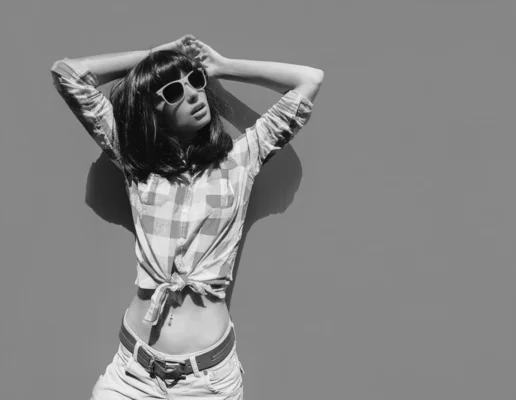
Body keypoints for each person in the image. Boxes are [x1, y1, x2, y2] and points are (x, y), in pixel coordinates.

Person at [50, 34, 323, 400]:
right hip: (132, 374)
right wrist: (157, 56)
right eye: (173, 92)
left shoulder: (239, 163)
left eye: (195, 82)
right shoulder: (136, 165)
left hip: (207, 383)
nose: (194, 93)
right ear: (153, 111)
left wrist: (222, 67)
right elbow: (68, 74)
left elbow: (309, 79)